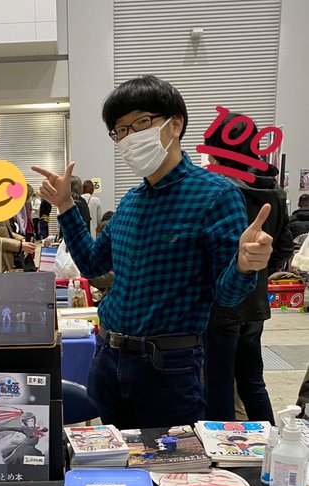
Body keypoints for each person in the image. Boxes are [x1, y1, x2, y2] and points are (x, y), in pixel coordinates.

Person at [33, 75, 273, 429]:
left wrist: (244, 265)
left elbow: (226, 296)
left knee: (169, 459)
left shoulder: (215, 195)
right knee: (110, 457)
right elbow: (93, 263)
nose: (130, 137)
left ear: (175, 124)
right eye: (120, 130)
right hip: (107, 357)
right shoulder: (131, 201)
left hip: (168, 366)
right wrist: (66, 206)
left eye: (141, 123)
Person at [203, 112, 294, 423]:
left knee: (218, 386)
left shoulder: (217, 190)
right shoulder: (275, 190)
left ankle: (222, 448)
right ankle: (270, 441)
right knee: (252, 382)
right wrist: (259, 271)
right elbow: (284, 246)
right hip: (255, 303)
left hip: (220, 304)